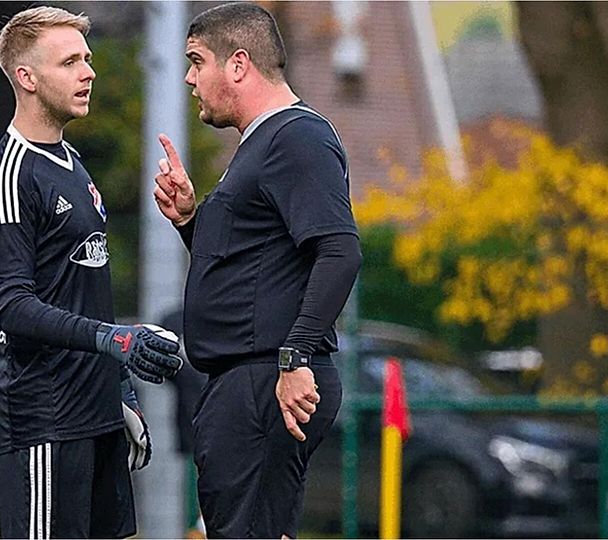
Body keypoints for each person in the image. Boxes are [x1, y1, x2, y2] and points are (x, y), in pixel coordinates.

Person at [0, 6, 183, 538]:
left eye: (86, 59)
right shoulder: (8, 175)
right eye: (69, 62)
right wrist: (111, 339)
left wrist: (116, 380)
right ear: (27, 78)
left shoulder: (70, 161)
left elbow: (75, 290)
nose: (88, 72)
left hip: (95, 412)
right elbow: (14, 307)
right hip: (45, 420)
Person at [152, 3, 363, 538]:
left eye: (197, 61)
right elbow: (253, 270)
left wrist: (295, 357)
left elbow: (340, 252)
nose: (188, 78)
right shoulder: (261, 145)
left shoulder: (297, 137)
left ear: (239, 64)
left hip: (267, 379)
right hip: (248, 380)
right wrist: (189, 222)